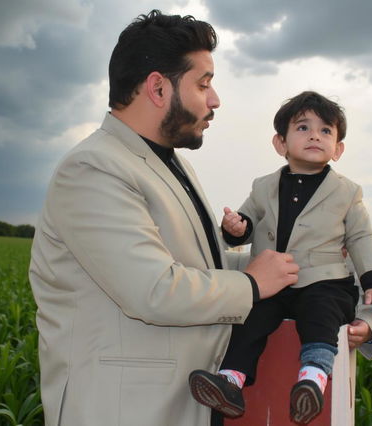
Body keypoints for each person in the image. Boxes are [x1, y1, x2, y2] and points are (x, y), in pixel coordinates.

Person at [28, 10, 300, 426]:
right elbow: (153, 288)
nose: (215, 100)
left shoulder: (170, 164)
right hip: (123, 412)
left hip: (178, 407)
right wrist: (251, 283)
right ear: (157, 87)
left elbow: (200, 268)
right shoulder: (93, 168)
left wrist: (299, 262)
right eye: (203, 83)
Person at [189, 91, 372, 424]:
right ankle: (230, 382)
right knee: (250, 319)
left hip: (324, 283)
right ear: (280, 143)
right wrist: (235, 226)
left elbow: (361, 237)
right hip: (272, 284)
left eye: (326, 130)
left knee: (321, 316)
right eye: (302, 127)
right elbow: (245, 224)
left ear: (338, 149)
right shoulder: (263, 187)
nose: (315, 135)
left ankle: (312, 381)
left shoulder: (347, 192)